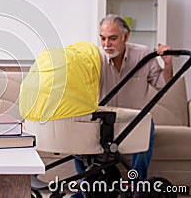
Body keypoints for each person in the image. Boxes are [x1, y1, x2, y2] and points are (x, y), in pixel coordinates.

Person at [73, 14, 173, 197]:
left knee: (146, 126)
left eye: (112, 38)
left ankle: (137, 189)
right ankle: (86, 189)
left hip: (134, 120)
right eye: (102, 38)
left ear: (126, 37)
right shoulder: (95, 58)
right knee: (75, 140)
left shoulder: (143, 55)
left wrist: (167, 64)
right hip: (104, 120)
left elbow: (163, 86)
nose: (106, 44)